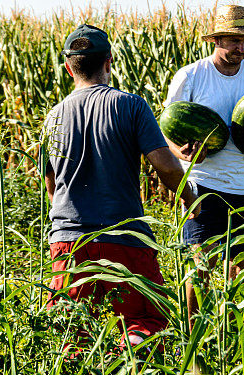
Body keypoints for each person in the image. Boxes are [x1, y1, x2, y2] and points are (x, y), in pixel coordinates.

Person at [42, 23, 198, 352]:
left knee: (74, 329)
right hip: (125, 238)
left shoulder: (53, 116)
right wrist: (189, 198)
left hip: (69, 243)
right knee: (146, 319)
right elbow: (165, 164)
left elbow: (51, 185)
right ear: (109, 61)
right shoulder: (131, 106)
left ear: (69, 66)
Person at [164, 5, 244, 323]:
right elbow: (164, 131)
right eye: (234, 40)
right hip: (202, 188)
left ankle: (235, 338)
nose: (242, 48)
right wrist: (184, 153)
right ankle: (191, 342)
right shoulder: (192, 76)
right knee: (200, 269)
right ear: (216, 39)